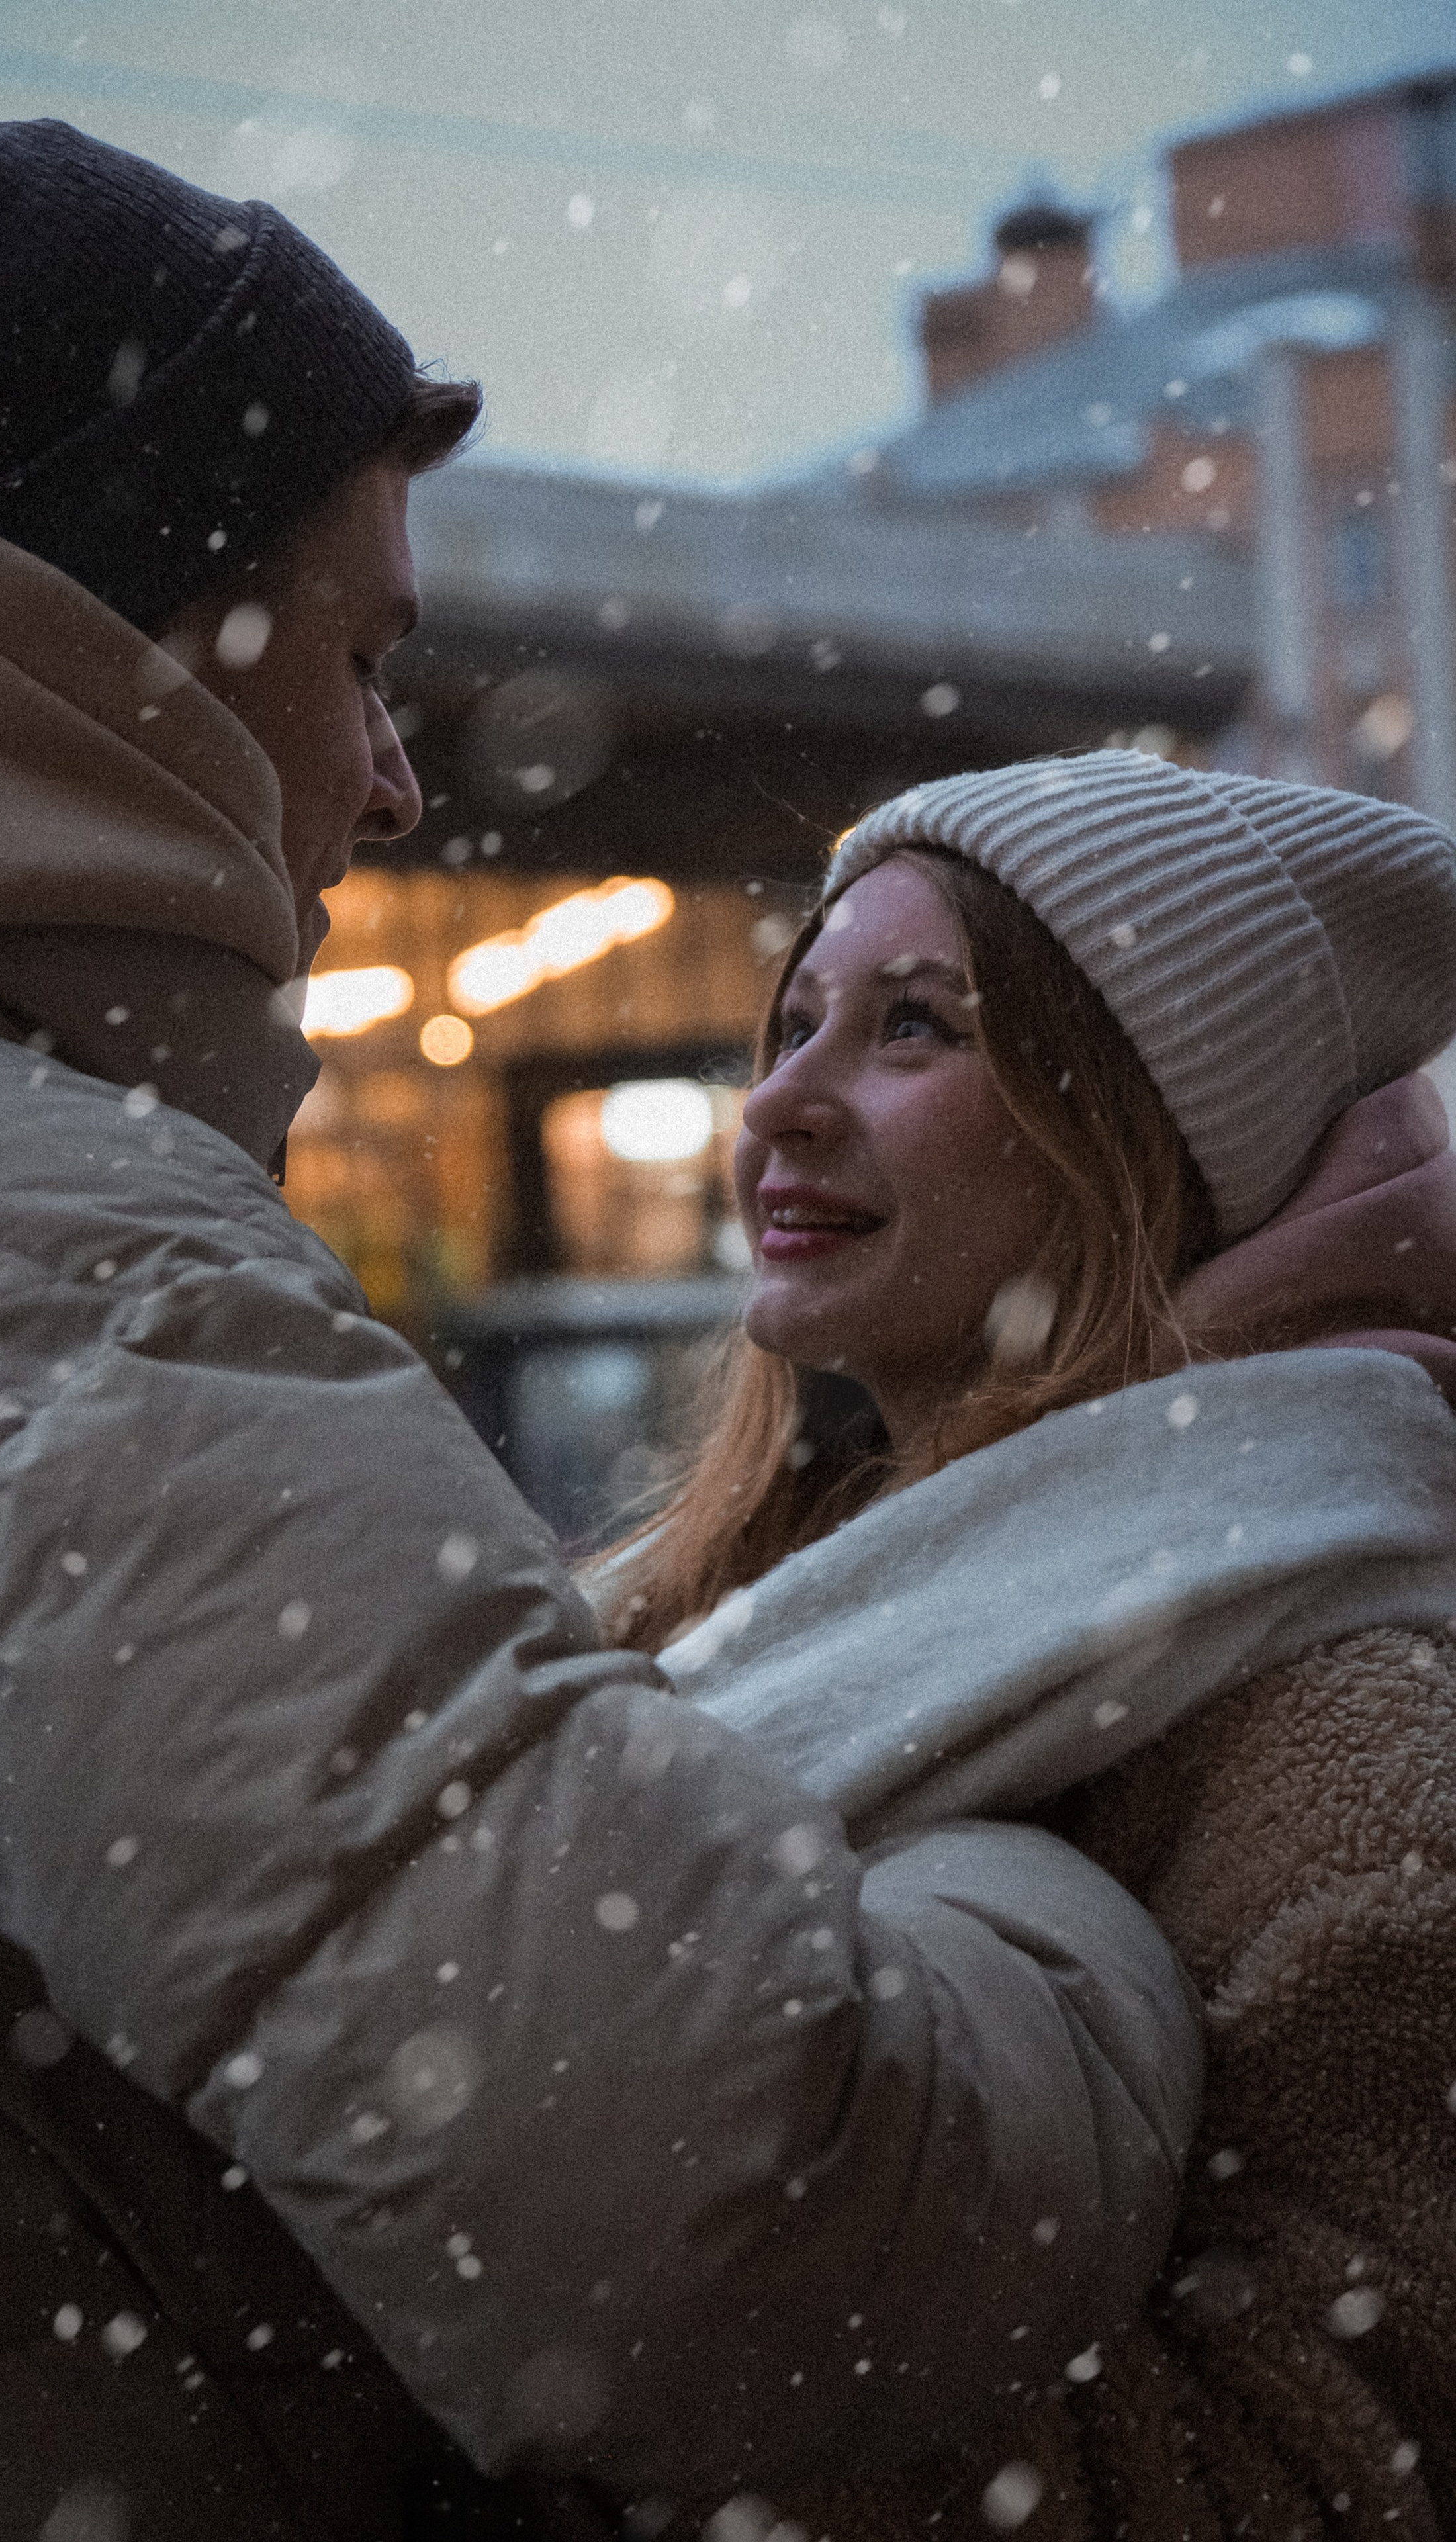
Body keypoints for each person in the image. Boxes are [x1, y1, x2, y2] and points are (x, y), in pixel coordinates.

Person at [0, 101, 1201, 2542]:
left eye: (918, 1028)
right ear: (125, 653)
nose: (404, 777)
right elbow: (725, 2227)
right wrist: (1056, 1908)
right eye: (362, 654)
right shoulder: (44, 1276)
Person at [597, 749, 1456, 2539]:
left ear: (1134, 1136)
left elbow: (1319, 2477)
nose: (783, 1108)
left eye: (915, 1028)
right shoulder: (731, 1597)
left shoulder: (1350, 1735)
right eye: (798, 1018)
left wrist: (599, 2375)